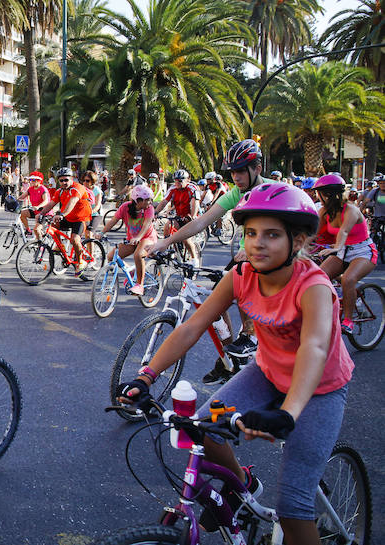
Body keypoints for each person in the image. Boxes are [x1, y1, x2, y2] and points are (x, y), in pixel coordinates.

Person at [117, 182, 353, 545]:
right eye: (251, 233)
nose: (258, 243)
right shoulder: (241, 276)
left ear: (300, 240)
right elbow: (192, 327)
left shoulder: (314, 286)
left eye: (272, 235)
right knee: (203, 426)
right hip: (267, 375)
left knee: (293, 508)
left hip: (319, 389)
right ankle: (244, 489)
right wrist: (146, 376)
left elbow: (316, 348)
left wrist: (288, 414)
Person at [148, 140, 270, 376]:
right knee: (215, 302)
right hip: (244, 257)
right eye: (232, 171)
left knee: (243, 282)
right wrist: (164, 242)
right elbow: (201, 222)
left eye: (241, 170)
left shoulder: (274, 191)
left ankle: (250, 335)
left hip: (269, 258)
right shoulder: (237, 194)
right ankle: (230, 358)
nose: (236, 177)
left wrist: (256, 249)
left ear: (257, 168)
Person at [313, 174, 377, 334]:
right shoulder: (324, 212)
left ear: (326, 193)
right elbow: (313, 235)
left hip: (363, 252)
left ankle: (348, 320)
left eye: (318, 193)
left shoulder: (351, 210)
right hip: (341, 251)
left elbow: (344, 231)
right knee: (318, 276)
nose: (317, 197)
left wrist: (336, 248)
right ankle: (336, 305)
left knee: (349, 279)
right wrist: (297, 250)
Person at [95, 184, 157, 295]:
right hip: (132, 239)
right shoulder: (125, 207)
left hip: (147, 237)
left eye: (150, 199)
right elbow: (113, 221)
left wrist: (138, 237)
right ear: (137, 201)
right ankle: (133, 270)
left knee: (138, 255)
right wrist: (102, 232)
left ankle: (140, 285)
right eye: (147, 200)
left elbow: (147, 224)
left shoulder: (149, 209)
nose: (150, 202)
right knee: (111, 256)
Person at [36, 167, 92, 276]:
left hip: (81, 218)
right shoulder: (59, 191)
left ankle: (81, 261)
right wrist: (41, 214)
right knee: (53, 224)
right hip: (68, 217)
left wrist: (62, 214)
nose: (64, 182)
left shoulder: (77, 188)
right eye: (61, 180)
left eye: (66, 180)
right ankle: (59, 246)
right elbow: (51, 204)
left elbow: (72, 202)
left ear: (72, 179)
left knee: (75, 240)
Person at [154, 169, 201, 266]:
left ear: (187, 180)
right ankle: (170, 251)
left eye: (180, 180)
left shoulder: (192, 188)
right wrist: (155, 213)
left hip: (190, 216)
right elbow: (164, 202)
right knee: (168, 226)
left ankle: (194, 259)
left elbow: (195, 203)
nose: (177, 183)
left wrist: (191, 217)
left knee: (185, 239)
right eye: (175, 180)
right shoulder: (172, 189)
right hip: (179, 216)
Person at [19, 171, 51, 239]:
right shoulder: (30, 189)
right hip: (35, 210)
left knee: (37, 230)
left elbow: (46, 201)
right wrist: (13, 200)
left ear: (39, 181)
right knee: (22, 213)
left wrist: (38, 206)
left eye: (33, 180)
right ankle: (28, 230)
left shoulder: (43, 189)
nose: (31, 181)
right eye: (30, 180)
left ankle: (40, 244)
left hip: (44, 212)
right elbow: (22, 196)